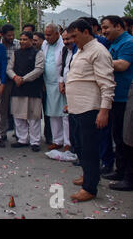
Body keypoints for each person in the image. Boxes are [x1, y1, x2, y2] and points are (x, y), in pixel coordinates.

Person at [66, 19, 115, 202]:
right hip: (76, 108)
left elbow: (107, 84)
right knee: (77, 144)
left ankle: (90, 188)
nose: (72, 40)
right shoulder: (80, 51)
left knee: (89, 149)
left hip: (90, 109)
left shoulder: (98, 51)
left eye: (75, 36)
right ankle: (88, 175)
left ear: (86, 32)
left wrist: (104, 110)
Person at [100, 15, 133, 191]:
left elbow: (122, 65)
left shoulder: (128, 42)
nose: (104, 31)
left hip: (126, 97)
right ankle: (120, 171)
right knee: (118, 137)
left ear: (119, 26)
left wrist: (100, 62)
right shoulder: (113, 43)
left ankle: (129, 177)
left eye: (106, 27)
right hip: (115, 96)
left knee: (127, 138)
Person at [7, 31, 45, 152]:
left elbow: (39, 69)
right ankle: (22, 139)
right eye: (21, 39)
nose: (22, 42)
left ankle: (35, 141)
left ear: (30, 41)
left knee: (33, 116)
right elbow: (9, 68)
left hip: (33, 88)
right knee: (18, 116)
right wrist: (15, 77)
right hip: (17, 88)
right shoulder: (16, 53)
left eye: (25, 39)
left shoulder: (38, 53)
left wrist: (24, 79)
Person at [42, 24, 67, 150]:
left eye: (49, 34)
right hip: (48, 84)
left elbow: (64, 65)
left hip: (60, 83)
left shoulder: (63, 45)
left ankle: (68, 142)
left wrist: (62, 81)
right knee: (52, 114)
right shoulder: (45, 45)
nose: (47, 37)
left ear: (57, 34)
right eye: (45, 34)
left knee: (64, 114)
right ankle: (57, 140)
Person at [57, 30, 76, 153]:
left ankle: (74, 145)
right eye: (63, 39)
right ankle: (68, 142)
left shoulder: (78, 51)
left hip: (76, 88)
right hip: (65, 86)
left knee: (74, 117)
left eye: (68, 39)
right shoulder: (64, 50)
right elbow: (62, 67)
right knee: (66, 116)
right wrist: (61, 82)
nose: (65, 42)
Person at [0, 24, 20, 139]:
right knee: (3, 108)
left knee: (17, 108)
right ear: (3, 35)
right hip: (4, 80)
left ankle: (19, 133)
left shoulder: (17, 44)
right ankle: (2, 133)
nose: (12, 37)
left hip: (15, 79)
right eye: (9, 35)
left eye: (13, 35)